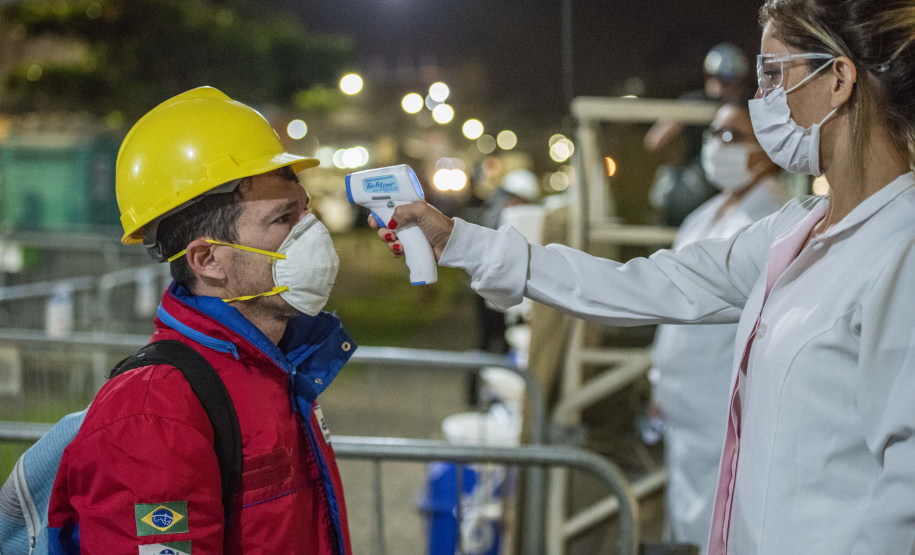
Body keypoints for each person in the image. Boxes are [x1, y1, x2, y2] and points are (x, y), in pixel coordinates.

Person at [373, 0, 915, 551]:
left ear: (839, 79)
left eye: (774, 73)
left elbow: (906, 502)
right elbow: (643, 284)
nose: (761, 98)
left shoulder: (901, 248)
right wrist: (461, 242)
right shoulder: (797, 230)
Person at [47, 87, 355, 554]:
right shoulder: (154, 414)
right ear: (208, 259)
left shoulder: (276, 368)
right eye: (283, 218)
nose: (313, 233)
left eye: (305, 210)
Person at [650, 100, 789, 552]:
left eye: (732, 136)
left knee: (721, 527)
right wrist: (659, 383)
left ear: (766, 146)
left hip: (723, 409)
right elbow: (672, 306)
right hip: (683, 410)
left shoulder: (774, 218)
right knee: (685, 523)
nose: (717, 146)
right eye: (713, 134)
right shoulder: (704, 215)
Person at [645, 43, 752, 226]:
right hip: (702, 185)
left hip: (730, 184)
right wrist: (675, 163)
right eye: (715, 77)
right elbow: (655, 140)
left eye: (728, 80)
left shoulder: (744, 107)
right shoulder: (694, 103)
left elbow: (654, 141)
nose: (720, 85)